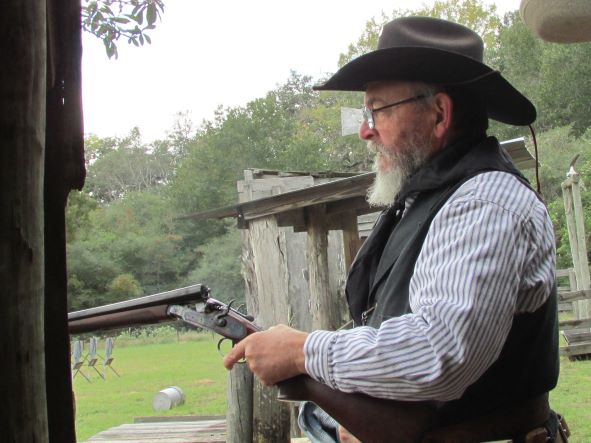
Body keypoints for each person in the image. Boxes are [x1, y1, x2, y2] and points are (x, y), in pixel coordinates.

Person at [224, 16, 563, 442]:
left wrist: (301, 351)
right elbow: (392, 327)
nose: (365, 130)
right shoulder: (427, 199)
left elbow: (439, 352)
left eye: (378, 109)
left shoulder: (483, 202)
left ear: (439, 113)